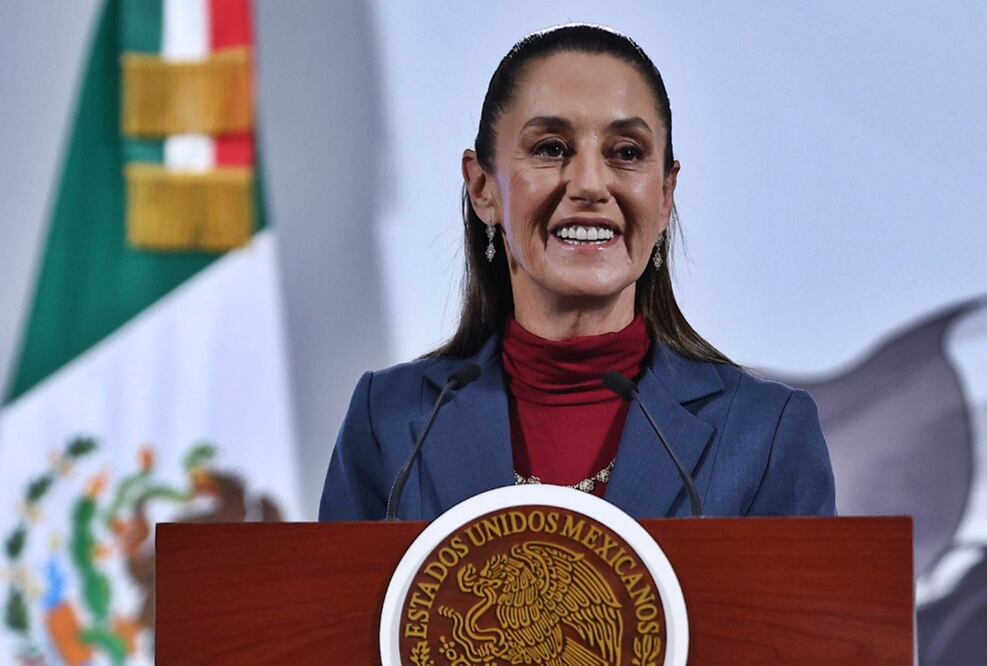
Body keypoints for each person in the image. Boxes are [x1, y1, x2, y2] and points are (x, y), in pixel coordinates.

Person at [319, 24, 835, 522]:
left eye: (627, 153)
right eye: (550, 148)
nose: (590, 184)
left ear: (664, 196)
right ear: (483, 188)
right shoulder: (387, 421)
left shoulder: (764, 433)